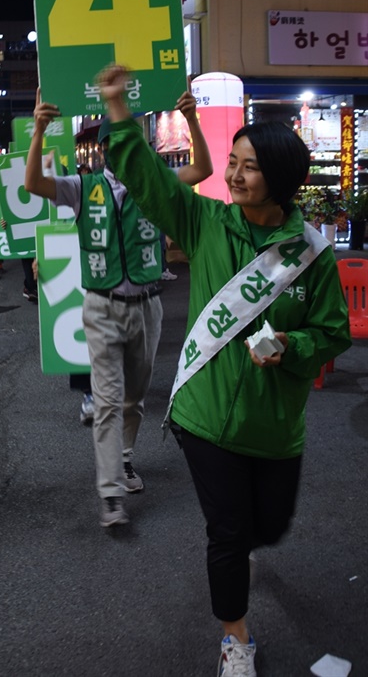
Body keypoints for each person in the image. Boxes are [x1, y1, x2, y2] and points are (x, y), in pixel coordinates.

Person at [97, 63, 351, 677]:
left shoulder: (310, 255)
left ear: (282, 178)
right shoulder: (206, 222)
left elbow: (333, 331)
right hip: (204, 417)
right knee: (228, 532)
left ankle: (241, 558)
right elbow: (149, 180)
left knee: (270, 525)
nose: (234, 174)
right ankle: (236, 639)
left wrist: (292, 346)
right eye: (232, 162)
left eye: (250, 165)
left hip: (275, 425)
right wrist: (118, 112)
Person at [24, 86, 213, 528]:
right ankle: (110, 493)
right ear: (104, 149)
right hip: (101, 307)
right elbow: (34, 184)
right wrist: (38, 132)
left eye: (129, 143)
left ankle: (124, 458)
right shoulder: (82, 187)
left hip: (147, 307)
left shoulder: (158, 186)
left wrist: (192, 120)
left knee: (134, 396)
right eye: (111, 143)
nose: (118, 151)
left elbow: (202, 168)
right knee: (107, 400)